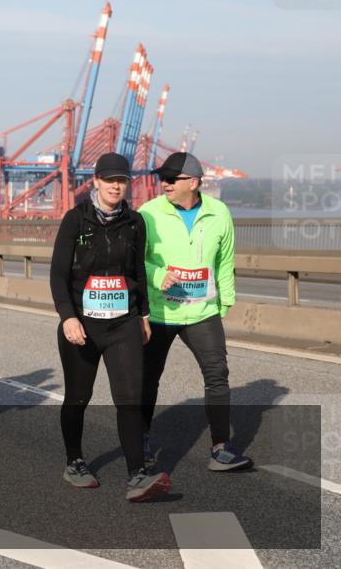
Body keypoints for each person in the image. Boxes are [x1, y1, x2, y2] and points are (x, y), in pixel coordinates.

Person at [50, 153, 172, 502]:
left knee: (130, 399)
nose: (117, 186)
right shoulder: (76, 220)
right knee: (78, 398)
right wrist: (67, 317)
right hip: (83, 326)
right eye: (110, 180)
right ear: (97, 181)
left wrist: (144, 315)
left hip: (124, 324)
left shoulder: (135, 223)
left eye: (123, 180)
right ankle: (74, 461)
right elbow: (58, 274)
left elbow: (138, 272)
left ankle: (138, 475)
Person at [139, 152, 252, 472]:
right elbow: (133, 260)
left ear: (193, 182)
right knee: (148, 380)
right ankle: (142, 442)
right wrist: (159, 276)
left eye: (171, 179)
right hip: (160, 312)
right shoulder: (148, 213)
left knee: (217, 376)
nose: (164, 184)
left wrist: (226, 302)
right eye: (161, 178)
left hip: (203, 312)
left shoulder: (219, 212)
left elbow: (225, 261)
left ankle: (221, 449)